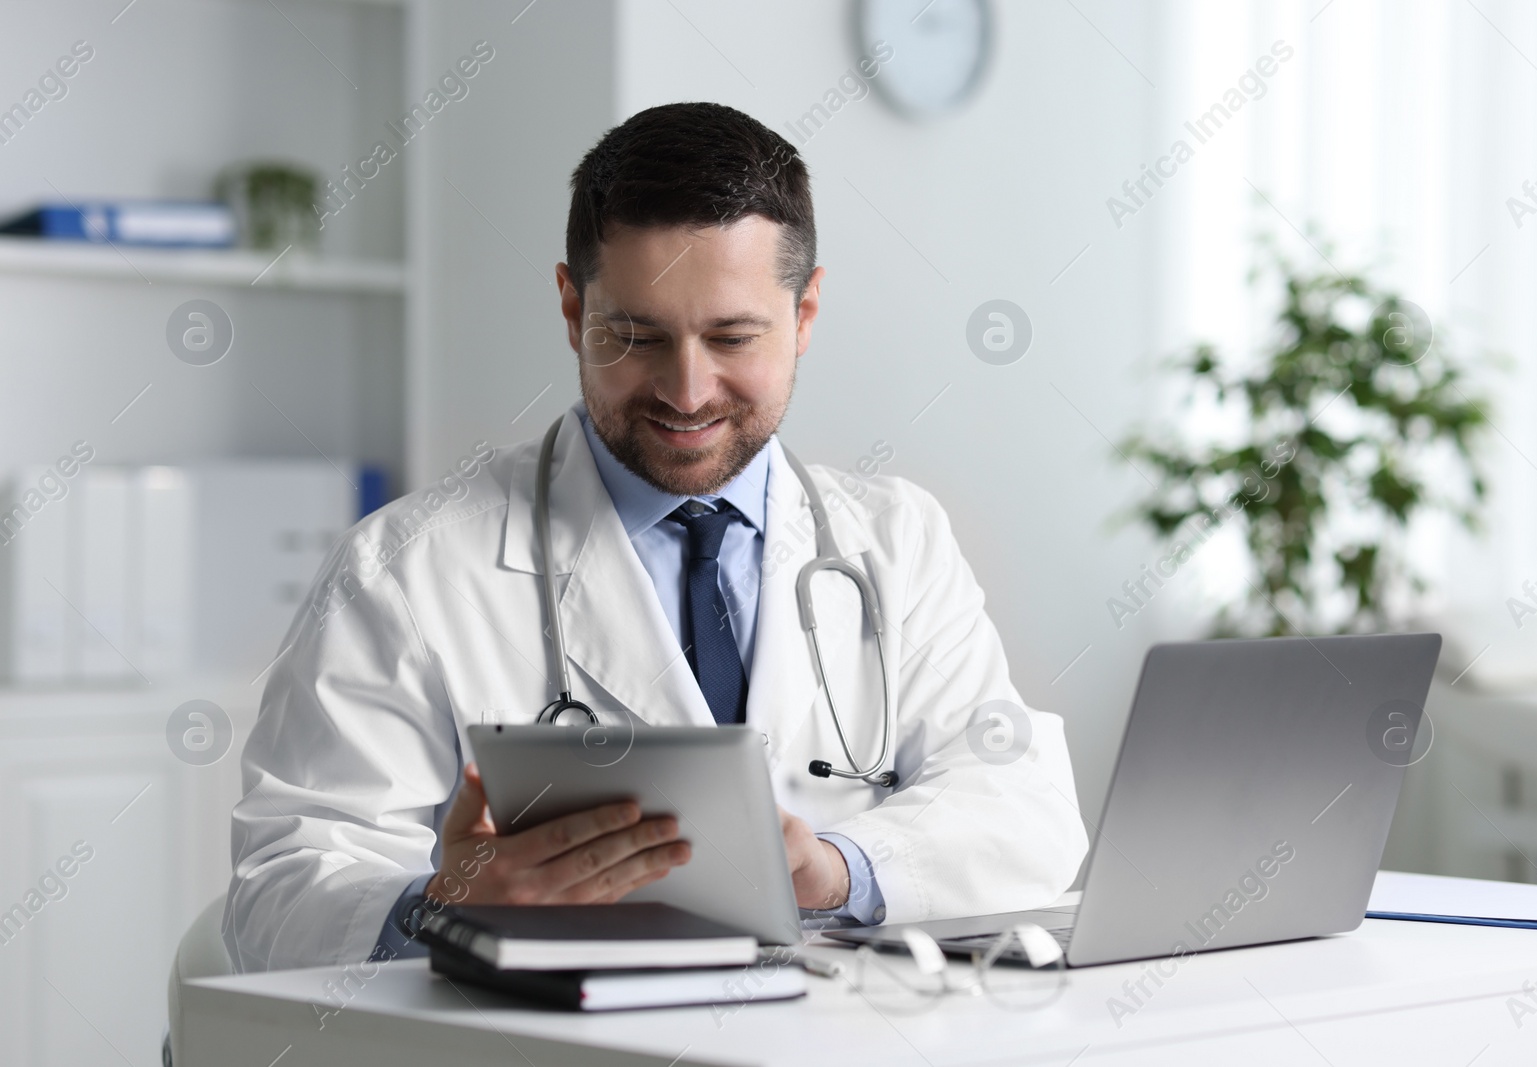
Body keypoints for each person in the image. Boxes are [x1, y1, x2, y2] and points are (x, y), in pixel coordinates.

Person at [225, 102, 1088, 972]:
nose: (687, 389)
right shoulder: (401, 572)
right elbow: (279, 892)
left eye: (732, 336)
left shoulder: (898, 541)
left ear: (807, 313)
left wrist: (833, 871)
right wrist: (438, 908)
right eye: (635, 336)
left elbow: (1023, 809)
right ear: (571, 308)